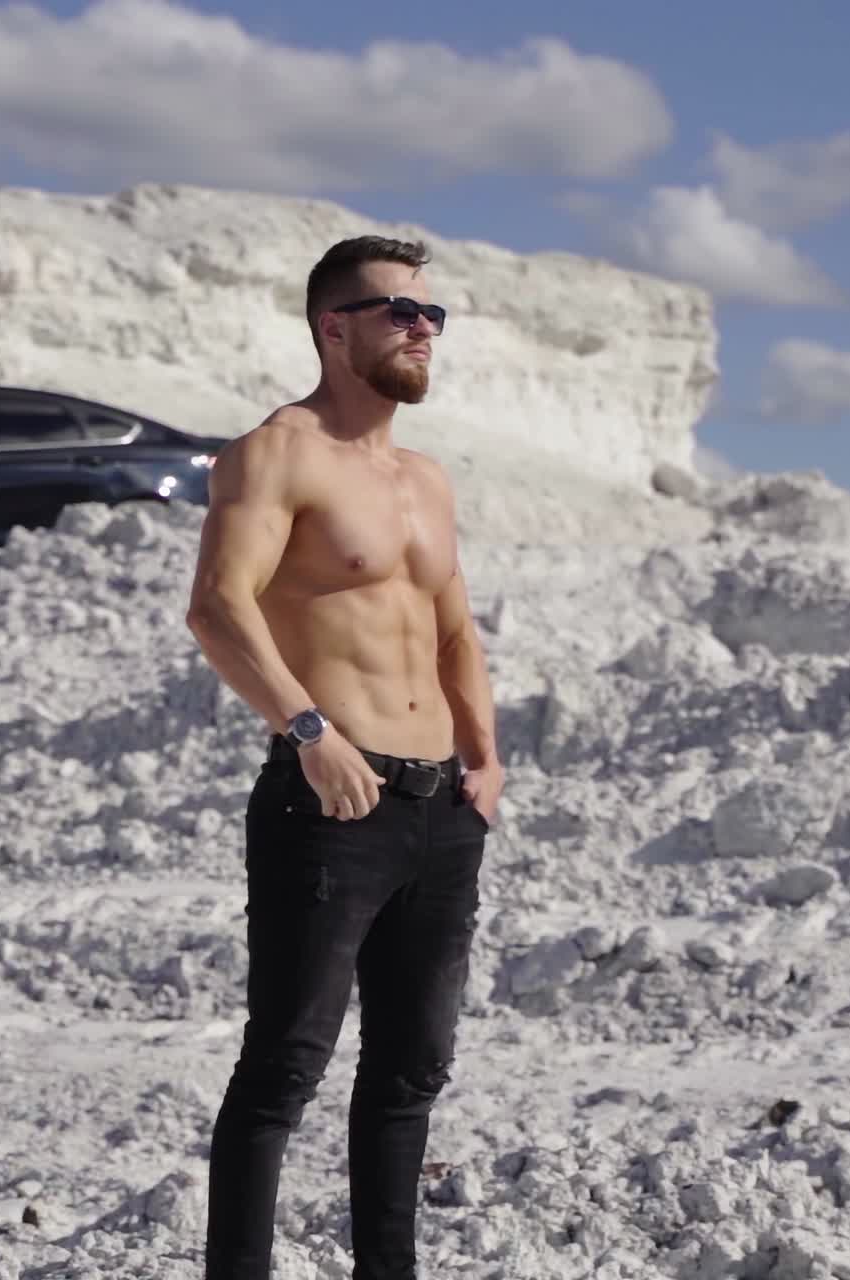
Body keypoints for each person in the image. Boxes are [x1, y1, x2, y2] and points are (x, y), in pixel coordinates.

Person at [186, 235, 504, 1280]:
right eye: (398, 312)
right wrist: (306, 729)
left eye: (432, 314)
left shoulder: (424, 476)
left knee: (413, 1067)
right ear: (334, 327)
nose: (424, 329)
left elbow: (453, 627)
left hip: (439, 803)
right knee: (284, 1065)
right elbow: (218, 608)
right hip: (330, 794)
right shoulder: (276, 453)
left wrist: (483, 761)